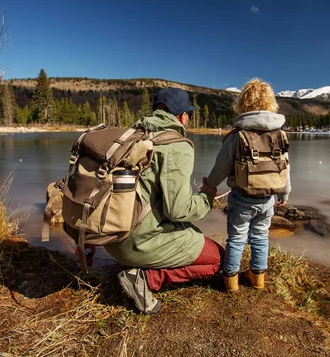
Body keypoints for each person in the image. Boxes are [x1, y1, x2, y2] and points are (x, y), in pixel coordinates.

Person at [106, 87, 223, 314]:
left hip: (111, 237)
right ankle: (145, 278)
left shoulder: (130, 136)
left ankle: (138, 265)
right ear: (182, 116)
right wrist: (207, 197)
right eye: (189, 114)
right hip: (137, 244)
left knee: (191, 232)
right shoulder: (176, 146)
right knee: (219, 260)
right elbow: (178, 211)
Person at [204, 78, 291, 292]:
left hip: (242, 197)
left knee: (236, 238)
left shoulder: (237, 136)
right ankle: (257, 277)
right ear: (271, 103)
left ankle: (231, 280)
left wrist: (210, 186)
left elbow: (221, 167)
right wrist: (284, 193)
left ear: (243, 104)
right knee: (261, 237)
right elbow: (285, 168)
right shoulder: (279, 134)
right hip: (268, 197)